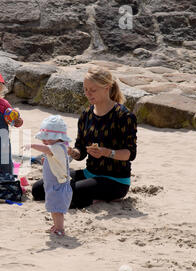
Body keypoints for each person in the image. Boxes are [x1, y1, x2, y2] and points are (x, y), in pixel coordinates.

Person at [32, 65, 137, 208]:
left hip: (115, 180)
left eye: (93, 90)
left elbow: (129, 154)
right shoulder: (86, 114)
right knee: (38, 189)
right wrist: (73, 152)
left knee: (67, 193)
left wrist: (106, 152)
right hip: (90, 173)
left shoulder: (124, 116)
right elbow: (80, 149)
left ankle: (96, 197)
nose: (88, 94)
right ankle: (91, 196)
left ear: (107, 87)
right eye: (85, 89)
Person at [24, 115, 73, 236]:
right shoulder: (54, 148)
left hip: (59, 186)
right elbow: (52, 158)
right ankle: (56, 225)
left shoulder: (59, 147)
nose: (44, 140)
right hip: (52, 185)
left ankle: (60, 229)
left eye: (48, 138)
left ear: (58, 138)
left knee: (57, 210)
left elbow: (46, 149)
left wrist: (32, 145)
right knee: (53, 207)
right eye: (44, 138)